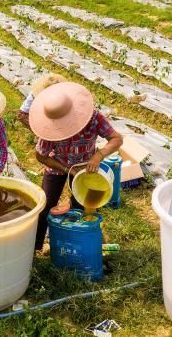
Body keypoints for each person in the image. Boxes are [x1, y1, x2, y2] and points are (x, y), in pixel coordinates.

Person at [29, 82, 123, 250]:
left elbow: (116, 139)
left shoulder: (93, 118)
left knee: (83, 206)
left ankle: (79, 244)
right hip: (58, 166)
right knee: (46, 204)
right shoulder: (50, 127)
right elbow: (40, 156)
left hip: (85, 168)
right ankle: (35, 247)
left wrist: (99, 155)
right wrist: (66, 169)